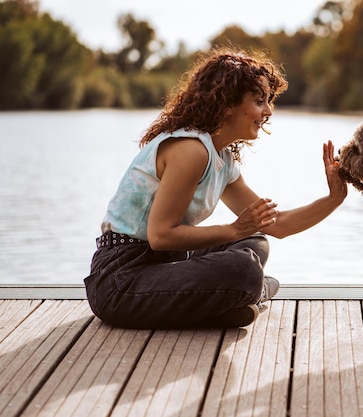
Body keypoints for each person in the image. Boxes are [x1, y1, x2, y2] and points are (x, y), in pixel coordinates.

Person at [84, 47, 347, 329]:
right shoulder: (191, 151)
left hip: (162, 266)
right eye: (260, 101)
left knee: (255, 243)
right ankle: (247, 294)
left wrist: (333, 198)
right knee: (244, 268)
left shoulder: (221, 157)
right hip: (118, 282)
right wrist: (234, 229)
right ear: (228, 103)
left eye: (268, 101)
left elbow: (277, 225)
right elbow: (160, 236)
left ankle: (230, 301)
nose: (268, 111)